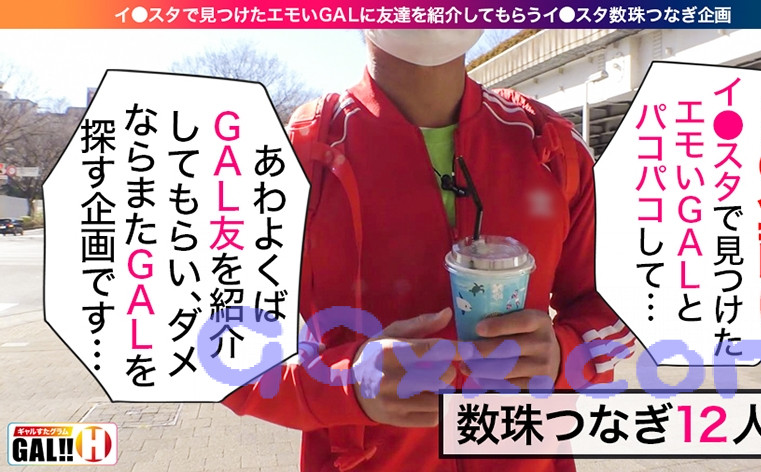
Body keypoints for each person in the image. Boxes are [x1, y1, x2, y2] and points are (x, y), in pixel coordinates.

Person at [223, 29, 634, 471]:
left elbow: (624, 306)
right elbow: (223, 352)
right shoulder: (289, 161)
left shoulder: (552, 147)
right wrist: (347, 382)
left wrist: (563, 355)